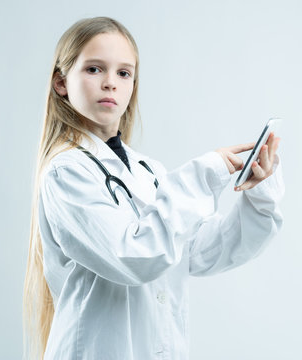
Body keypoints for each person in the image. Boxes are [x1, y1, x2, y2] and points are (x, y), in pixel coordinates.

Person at [23, 16, 284, 360]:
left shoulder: (149, 172)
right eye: (94, 69)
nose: (110, 84)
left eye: (123, 73)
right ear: (61, 82)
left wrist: (258, 196)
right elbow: (135, 257)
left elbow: (204, 252)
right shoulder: (65, 173)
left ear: (133, 85)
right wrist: (206, 173)